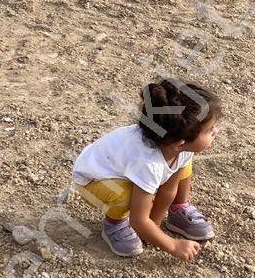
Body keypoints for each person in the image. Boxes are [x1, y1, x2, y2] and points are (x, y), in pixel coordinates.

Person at [71, 80, 220, 261]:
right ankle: (114, 225)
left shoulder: (177, 148)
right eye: (210, 130)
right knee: (126, 195)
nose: (216, 132)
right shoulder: (148, 163)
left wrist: (154, 227)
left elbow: (168, 190)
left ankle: (178, 210)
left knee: (183, 167)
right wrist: (171, 244)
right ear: (180, 143)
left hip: (125, 167)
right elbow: (138, 219)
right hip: (92, 180)